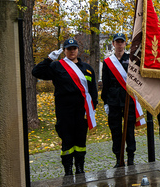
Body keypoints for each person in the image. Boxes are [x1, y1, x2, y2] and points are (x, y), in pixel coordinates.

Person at [33, 37, 98, 175]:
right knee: (67, 140)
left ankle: (80, 167)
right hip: (65, 110)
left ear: (78, 50)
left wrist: (94, 107)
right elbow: (36, 72)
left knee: (81, 139)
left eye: (74, 48)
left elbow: (92, 90)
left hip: (82, 110)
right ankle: (68, 168)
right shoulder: (57, 66)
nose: (72, 51)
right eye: (69, 49)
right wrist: (49, 59)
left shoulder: (87, 69)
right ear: (64, 51)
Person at [101, 33, 140, 167]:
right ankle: (119, 158)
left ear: (125, 44)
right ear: (113, 44)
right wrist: (105, 101)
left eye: (121, 42)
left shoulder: (131, 60)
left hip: (127, 99)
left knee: (129, 129)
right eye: (117, 42)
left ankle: (130, 157)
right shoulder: (107, 62)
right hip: (113, 100)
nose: (119, 44)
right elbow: (105, 83)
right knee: (115, 130)